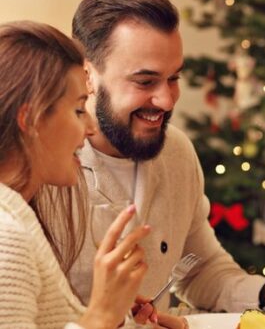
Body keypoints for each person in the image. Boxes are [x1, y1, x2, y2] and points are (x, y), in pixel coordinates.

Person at [66, 0, 265, 314]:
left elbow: (201, 268)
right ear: (87, 75)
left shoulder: (175, 151)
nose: (167, 100)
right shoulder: (46, 167)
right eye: (145, 81)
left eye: (173, 78)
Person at [0, 21, 164, 328]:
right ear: (30, 119)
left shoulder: (16, 218)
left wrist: (115, 316)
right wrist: (100, 314)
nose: (89, 128)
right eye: (78, 110)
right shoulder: (6, 239)